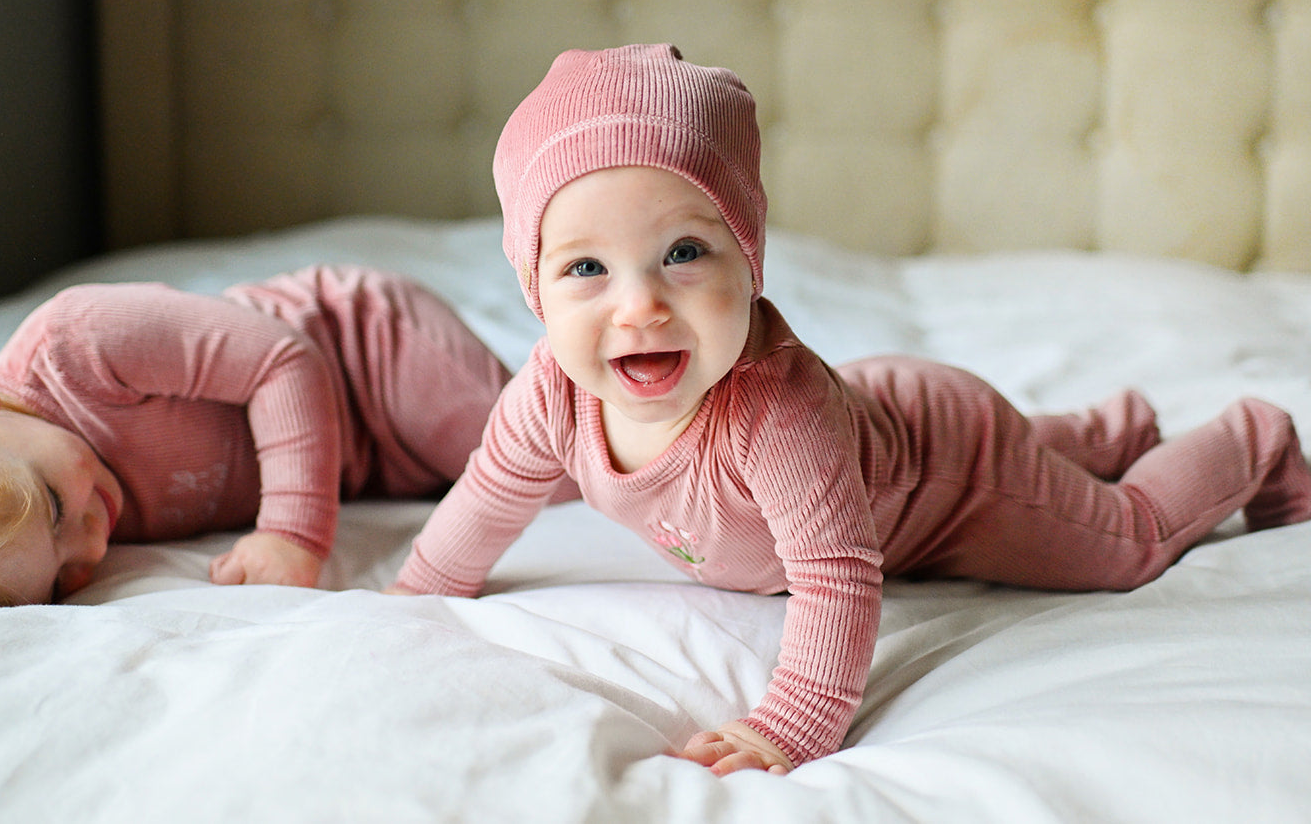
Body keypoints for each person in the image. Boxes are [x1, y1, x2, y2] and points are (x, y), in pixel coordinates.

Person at [389, 43, 1311, 776]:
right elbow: (487, 500)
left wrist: (790, 723)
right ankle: (1106, 428)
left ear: (750, 264)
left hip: (953, 476)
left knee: (1122, 542)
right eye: (586, 268)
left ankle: (1251, 438)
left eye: (683, 253)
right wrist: (410, 597)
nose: (639, 306)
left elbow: (836, 575)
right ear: (534, 291)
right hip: (888, 413)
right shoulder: (550, 393)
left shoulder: (774, 416)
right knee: (1003, 444)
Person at [0, 265, 523, 614]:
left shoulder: (79, 343)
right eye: (64, 581)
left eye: (56, 506)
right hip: (373, 462)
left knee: (552, 464)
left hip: (372, 357)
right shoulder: (14, 518)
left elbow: (286, 358)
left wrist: (291, 532)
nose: (92, 544)